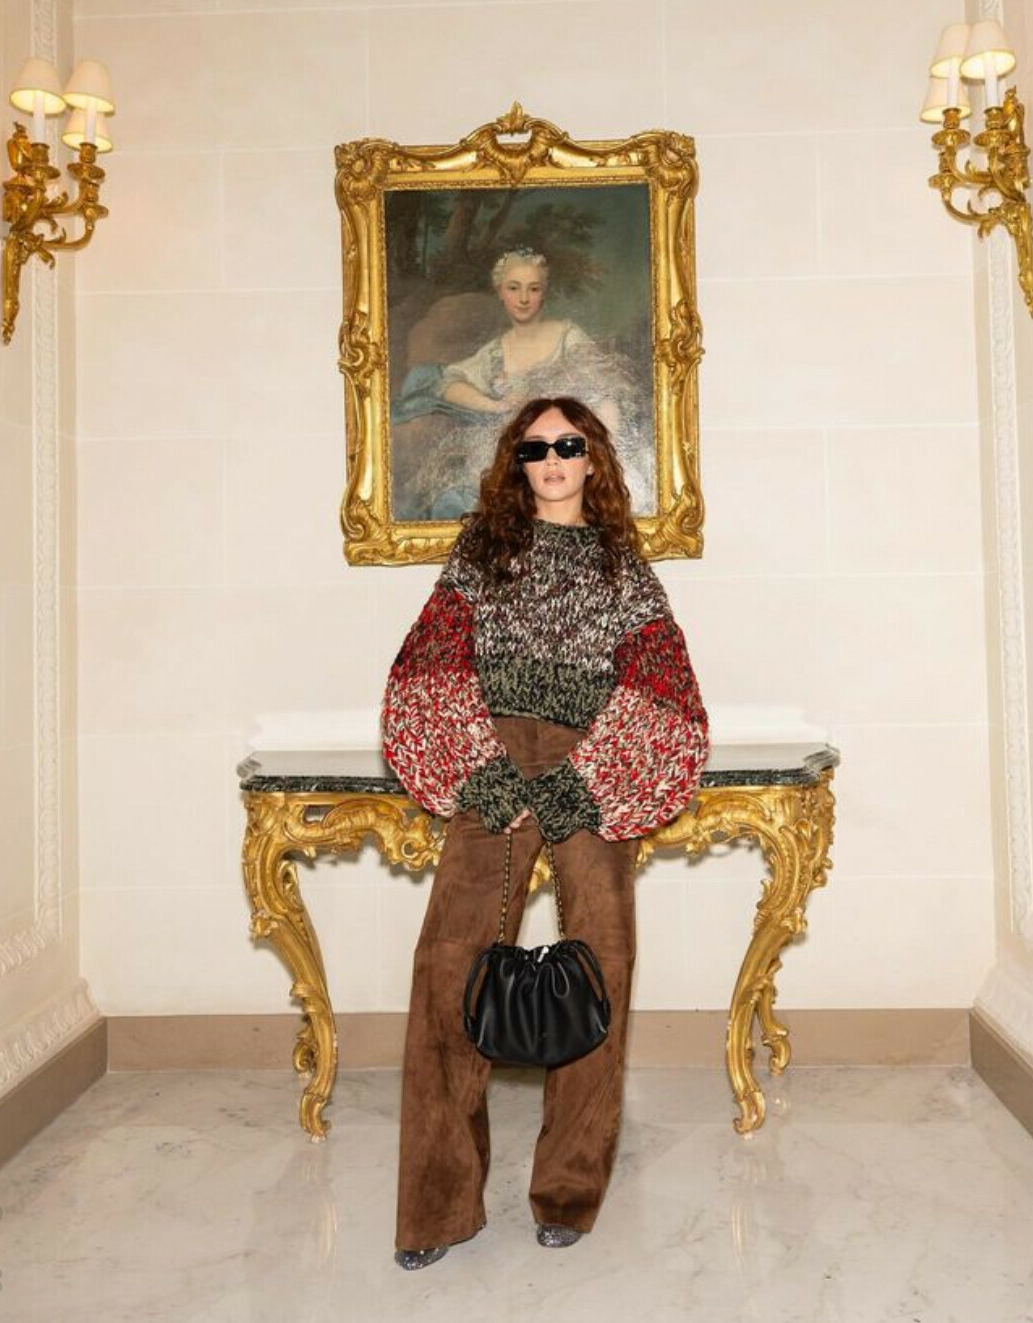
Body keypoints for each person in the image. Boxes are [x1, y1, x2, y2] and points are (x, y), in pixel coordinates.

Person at [381, 396, 709, 1270]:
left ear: (592, 458)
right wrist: (484, 772)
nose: (553, 459)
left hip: (590, 765)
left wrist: (579, 788)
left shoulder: (622, 567)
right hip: (488, 753)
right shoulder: (480, 552)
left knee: (601, 960)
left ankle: (567, 1189)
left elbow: (667, 692)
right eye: (535, 448)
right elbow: (425, 668)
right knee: (448, 963)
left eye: (569, 445)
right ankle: (436, 1205)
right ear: (516, 463)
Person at [390, 250, 652, 520]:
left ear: (544, 293)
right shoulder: (495, 352)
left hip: (563, 463)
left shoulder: (567, 336)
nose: (523, 298)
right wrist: (494, 405)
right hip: (515, 460)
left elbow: (605, 390)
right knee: (458, 499)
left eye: (533, 288)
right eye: (514, 288)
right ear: (500, 292)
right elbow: (449, 382)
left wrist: (601, 454)